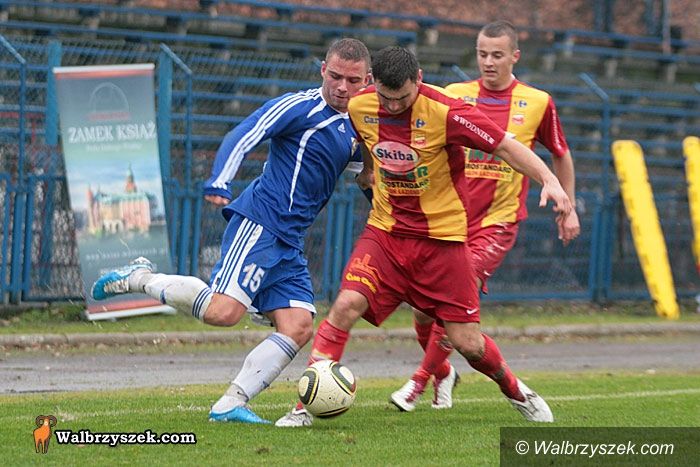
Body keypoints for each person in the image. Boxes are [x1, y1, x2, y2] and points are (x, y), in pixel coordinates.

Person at [275, 46, 574, 427]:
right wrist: (368, 171)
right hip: (386, 232)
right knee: (346, 304)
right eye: (386, 97)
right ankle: (304, 408)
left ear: (418, 80)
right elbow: (366, 138)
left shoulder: (446, 111)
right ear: (373, 84)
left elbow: (505, 145)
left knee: (467, 343)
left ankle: (516, 391)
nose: (393, 106)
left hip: (442, 241)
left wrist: (549, 179)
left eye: (402, 98)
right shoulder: (361, 104)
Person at [90, 38, 372, 424]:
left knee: (298, 326)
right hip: (262, 222)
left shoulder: (358, 125)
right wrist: (220, 180)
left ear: (366, 81)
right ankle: (139, 277)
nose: (342, 87)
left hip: (290, 239)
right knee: (224, 312)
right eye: (335, 76)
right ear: (323, 70)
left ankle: (230, 404)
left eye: (352, 80)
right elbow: (246, 132)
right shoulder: (301, 107)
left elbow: (367, 177)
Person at [390, 20, 581, 412]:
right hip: (450, 221)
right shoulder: (455, 95)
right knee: (423, 309)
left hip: (497, 223)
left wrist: (569, 206)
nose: (488, 62)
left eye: (497, 55)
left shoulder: (538, 102)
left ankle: (418, 381)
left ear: (515, 56)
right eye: (482, 54)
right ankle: (444, 372)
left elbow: (560, 153)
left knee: (451, 301)